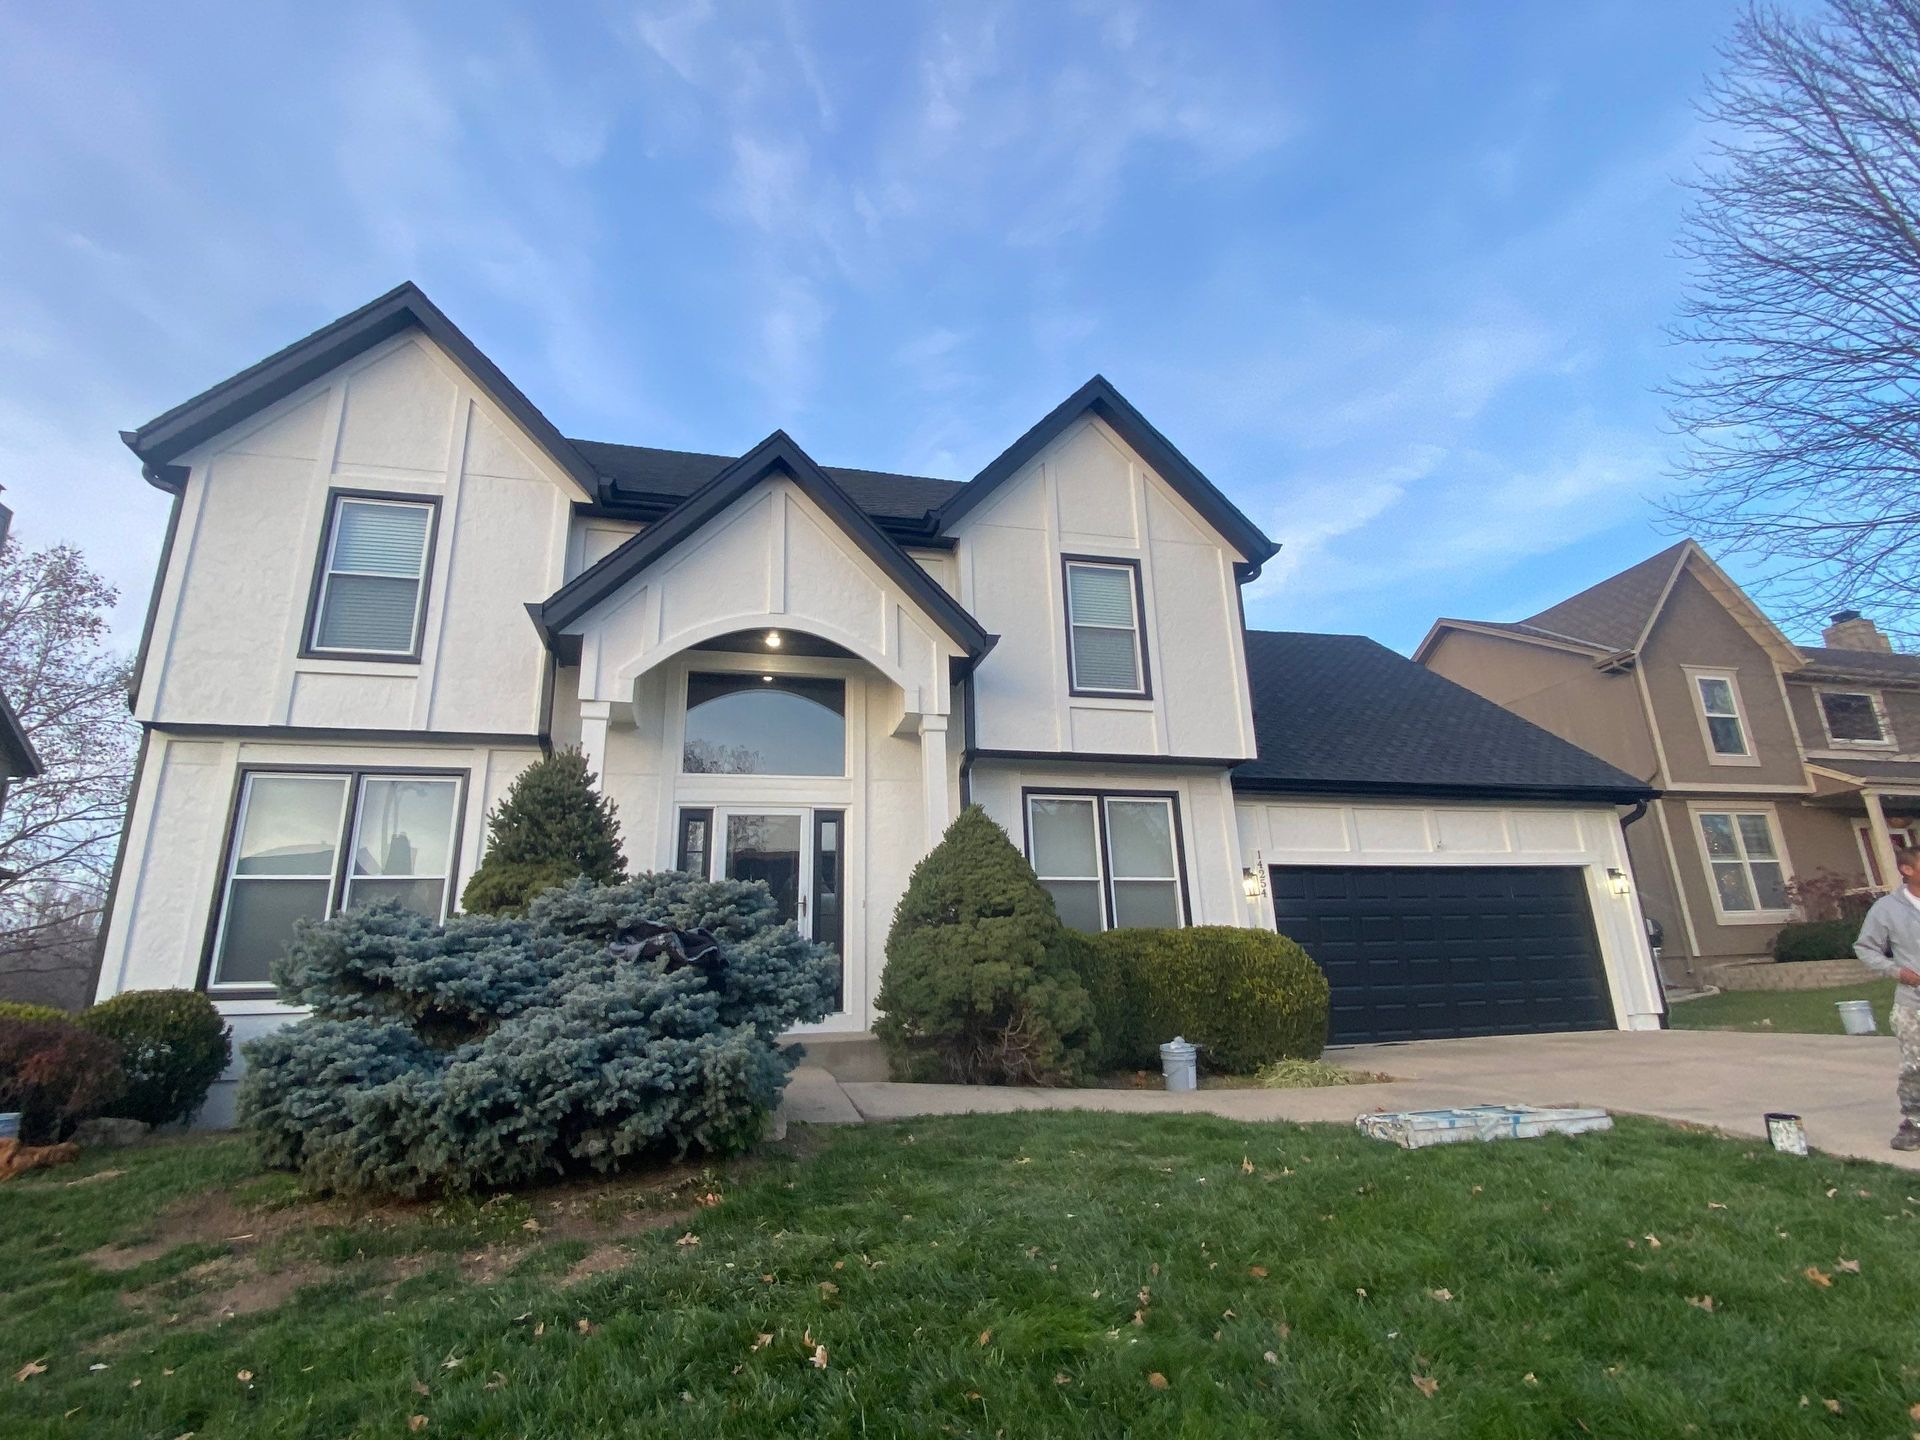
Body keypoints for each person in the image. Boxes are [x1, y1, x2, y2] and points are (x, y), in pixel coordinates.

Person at [1852, 844, 1920, 1151]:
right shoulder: (1887, 909)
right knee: (1915, 1067)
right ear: (1907, 870)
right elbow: (1865, 948)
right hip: (1913, 1003)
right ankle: (1914, 1123)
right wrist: (1897, 972)